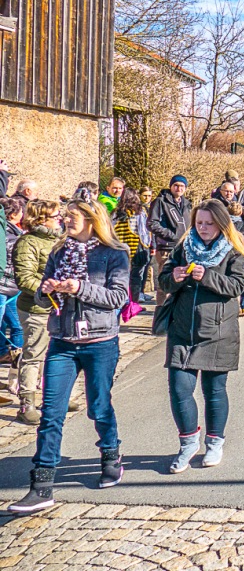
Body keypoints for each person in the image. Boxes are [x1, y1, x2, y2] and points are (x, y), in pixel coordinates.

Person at [8, 194, 130, 514]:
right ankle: (43, 484)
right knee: (51, 413)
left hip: (100, 341)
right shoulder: (59, 250)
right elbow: (38, 292)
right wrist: (45, 290)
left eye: (73, 216)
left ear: (91, 219)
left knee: (99, 407)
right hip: (62, 340)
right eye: (66, 216)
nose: (66, 220)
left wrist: (79, 288)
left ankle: (110, 455)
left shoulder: (114, 253)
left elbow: (117, 297)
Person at [157, 199, 244, 476]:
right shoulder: (183, 248)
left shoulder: (233, 251)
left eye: (209, 223)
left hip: (219, 332)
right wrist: (173, 277)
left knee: (214, 392)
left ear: (221, 224)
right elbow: (162, 281)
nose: (204, 228)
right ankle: (187, 443)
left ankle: (214, 443)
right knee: (179, 390)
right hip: (182, 329)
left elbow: (237, 286)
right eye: (199, 223)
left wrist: (206, 276)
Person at [13, 200, 63, 425]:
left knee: (52, 353)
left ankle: (50, 399)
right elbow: (25, 278)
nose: (60, 219)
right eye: (55, 216)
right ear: (41, 219)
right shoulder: (28, 242)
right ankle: (27, 404)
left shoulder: (58, 240)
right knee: (33, 354)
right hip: (35, 308)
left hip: (57, 307)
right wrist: (51, 291)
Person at [149, 176, 192, 306]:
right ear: (171, 186)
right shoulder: (160, 202)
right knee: (165, 282)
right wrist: (171, 235)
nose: (179, 188)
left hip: (184, 247)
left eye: (182, 186)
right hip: (166, 248)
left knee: (181, 281)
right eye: (176, 185)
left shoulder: (186, 204)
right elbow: (152, 223)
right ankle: (161, 315)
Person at [112, 189, 151, 317]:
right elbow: (144, 231)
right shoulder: (140, 213)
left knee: (121, 277)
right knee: (136, 277)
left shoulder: (116, 213)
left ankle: (121, 301)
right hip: (137, 248)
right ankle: (133, 304)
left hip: (120, 249)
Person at [0, 198, 25, 380]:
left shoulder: (14, 234)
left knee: (13, 325)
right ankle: (18, 371)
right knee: (16, 327)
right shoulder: (11, 237)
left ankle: (7, 355)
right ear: (13, 215)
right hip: (5, 288)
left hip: (10, 289)